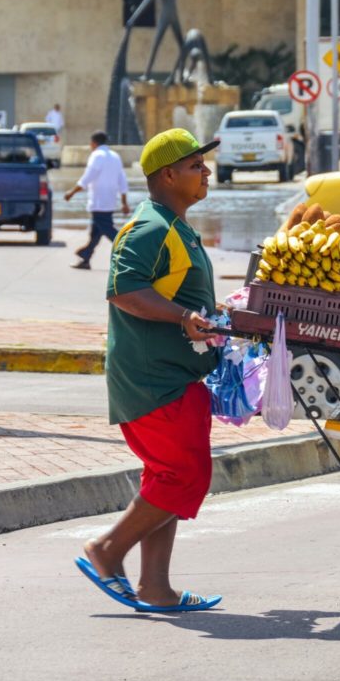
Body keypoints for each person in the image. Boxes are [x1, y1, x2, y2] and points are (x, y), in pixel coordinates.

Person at [74, 127, 224, 613]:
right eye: (197, 165)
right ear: (169, 174)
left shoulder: (173, 225)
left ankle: (155, 588)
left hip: (173, 374)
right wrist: (184, 317)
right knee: (184, 476)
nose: (206, 172)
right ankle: (106, 549)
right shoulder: (150, 227)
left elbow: (177, 293)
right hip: (152, 378)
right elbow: (123, 289)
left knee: (167, 477)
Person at [65, 131, 130, 270]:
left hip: (98, 202)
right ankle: (86, 258)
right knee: (96, 232)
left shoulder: (96, 156)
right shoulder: (115, 156)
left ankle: (129, 252)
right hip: (110, 201)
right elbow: (122, 180)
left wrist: (71, 192)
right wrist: (124, 202)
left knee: (108, 230)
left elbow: (87, 178)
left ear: (94, 143)